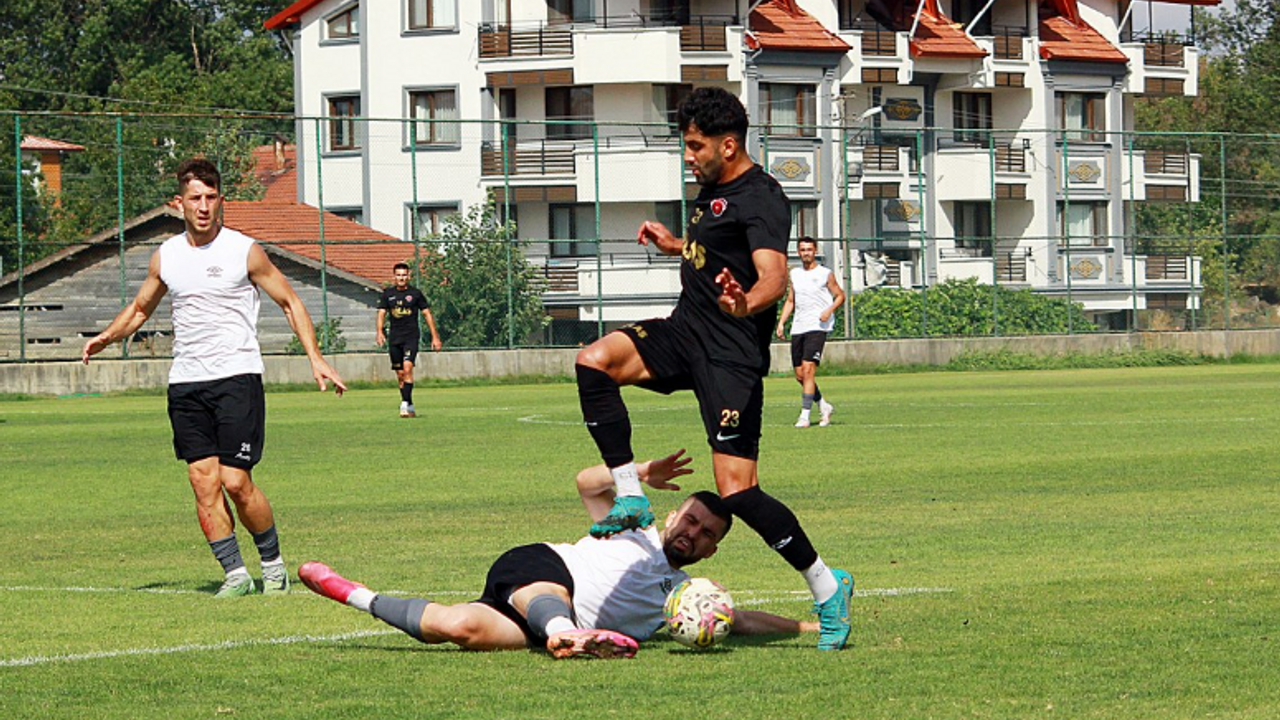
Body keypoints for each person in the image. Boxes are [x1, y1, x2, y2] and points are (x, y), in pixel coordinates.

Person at [572, 87, 854, 650]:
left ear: (729, 145)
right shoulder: (710, 191)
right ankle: (629, 494)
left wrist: (745, 303)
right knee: (593, 361)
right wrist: (677, 243)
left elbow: (772, 276)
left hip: (731, 354)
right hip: (685, 332)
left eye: (696, 145)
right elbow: (714, 251)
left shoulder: (762, 197)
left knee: (738, 491)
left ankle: (827, 587)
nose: (688, 155)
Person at [82, 158, 347, 598]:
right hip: (186, 383)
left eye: (210, 197)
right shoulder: (166, 256)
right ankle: (236, 576)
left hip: (237, 378)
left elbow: (291, 302)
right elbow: (141, 308)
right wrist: (106, 337)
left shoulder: (244, 250)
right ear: (178, 203)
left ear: (220, 200)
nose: (203, 207)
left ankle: (273, 566)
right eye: (194, 199)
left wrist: (315, 358)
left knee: (236, 482)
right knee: (202, 481)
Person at [299, 449, 818, 658]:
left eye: (705, 535)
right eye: (690, 520)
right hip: (541, 572)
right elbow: (586, 482)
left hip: (537, 625)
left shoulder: (684, 596)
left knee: (456, 627)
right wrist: (637, 476)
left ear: (711, 552)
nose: (692, 534)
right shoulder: (632, 526)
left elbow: (741, 620)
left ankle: (350, 591)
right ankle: (564, 634)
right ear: (672, 515)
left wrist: (806, 628)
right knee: (553, 600)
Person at [775, 236, 846, 428]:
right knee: (800, 375)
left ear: (815, 251)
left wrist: (828, 311)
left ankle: (804, 415)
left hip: (817, 327)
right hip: (799, 327)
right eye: (802, 250)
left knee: (808, 370)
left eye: (809, 249)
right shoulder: (795, 274)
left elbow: (840, 296)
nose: (806, 253)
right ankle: (824, 405)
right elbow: (791, 300)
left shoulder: (825, 274)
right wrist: (782, 322)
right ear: (798, 252)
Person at [375, 262, 442, 418]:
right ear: (394, 276)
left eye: (404, 275)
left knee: (407, 369)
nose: (401, 278)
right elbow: (381, 314)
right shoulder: (388, 294)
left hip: (411, 337)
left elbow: (427, 314)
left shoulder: (416, 294)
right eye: (398, 275)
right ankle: (408, 403)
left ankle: (404, 405)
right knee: (400, 375)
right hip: (394, 338)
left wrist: (435, 336)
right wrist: (379, 332)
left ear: (408, 276)